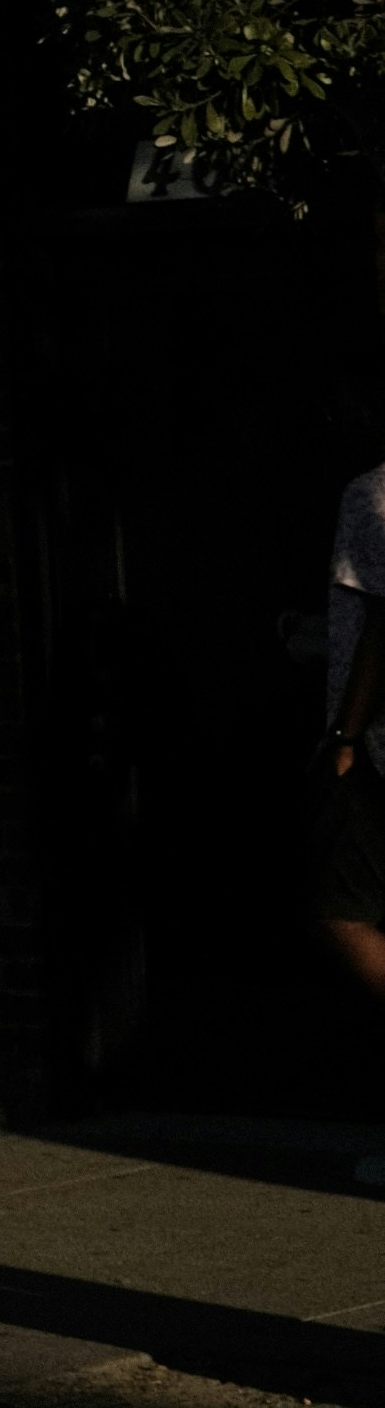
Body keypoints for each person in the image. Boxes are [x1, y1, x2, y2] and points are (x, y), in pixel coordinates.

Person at [317, 449, 385, 1181]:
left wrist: (344, 733)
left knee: (340, 906)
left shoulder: (372, 493)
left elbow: (380, 623)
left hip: (379, 748)